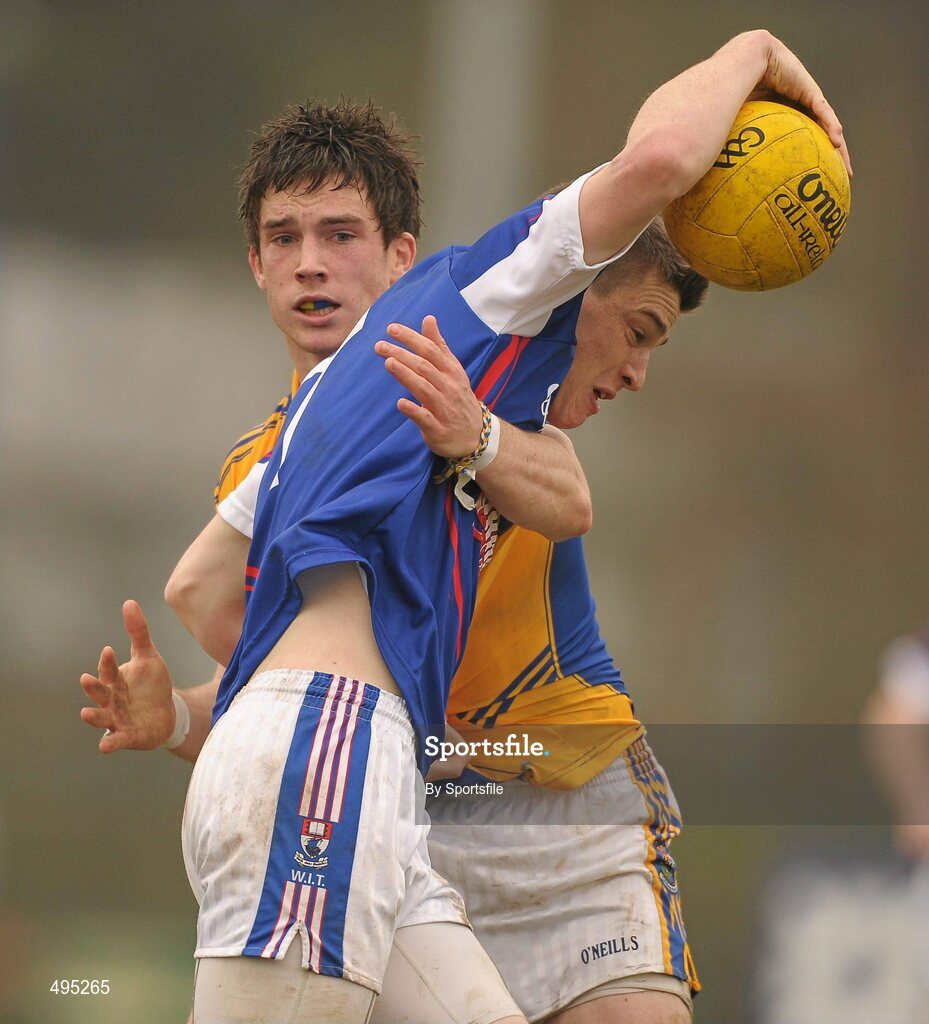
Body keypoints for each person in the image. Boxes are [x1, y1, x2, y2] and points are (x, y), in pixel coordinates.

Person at [82, 31, 849, 1024]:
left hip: (444, 786)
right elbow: (656, 164)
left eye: (340, 233)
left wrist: (474, 434)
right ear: (254, 264)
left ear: (397, 253)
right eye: (285, 237)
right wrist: (750, 49)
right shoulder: (433, 332)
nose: (311, 262)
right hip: (352, 757)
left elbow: (564, 500)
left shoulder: (457, 392)